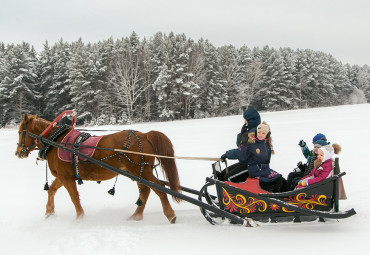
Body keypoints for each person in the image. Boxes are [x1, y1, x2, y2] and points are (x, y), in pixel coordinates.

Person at [221, 122, 287, 193]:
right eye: (259, 132)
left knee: (281, 180)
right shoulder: (253, 142)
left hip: (261, 170)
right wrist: (243, 144)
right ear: (256, 132)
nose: (260, 135)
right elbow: (242, 155)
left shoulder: (266, 144)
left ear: (267, 135)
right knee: (227, 178)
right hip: (255, 170)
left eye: (263, 133)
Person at [216, 108, 261, 182]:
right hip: (246, 163)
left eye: (246, 119)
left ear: (251, 120)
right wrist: (242, 134)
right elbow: (240, 145)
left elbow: (243, 151)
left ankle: (230, 193)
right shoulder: (250, 131)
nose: (244, 121)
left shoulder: (256, 134)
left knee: (227, 179)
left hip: (255, 166)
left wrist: (227, 154)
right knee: (223, 174)